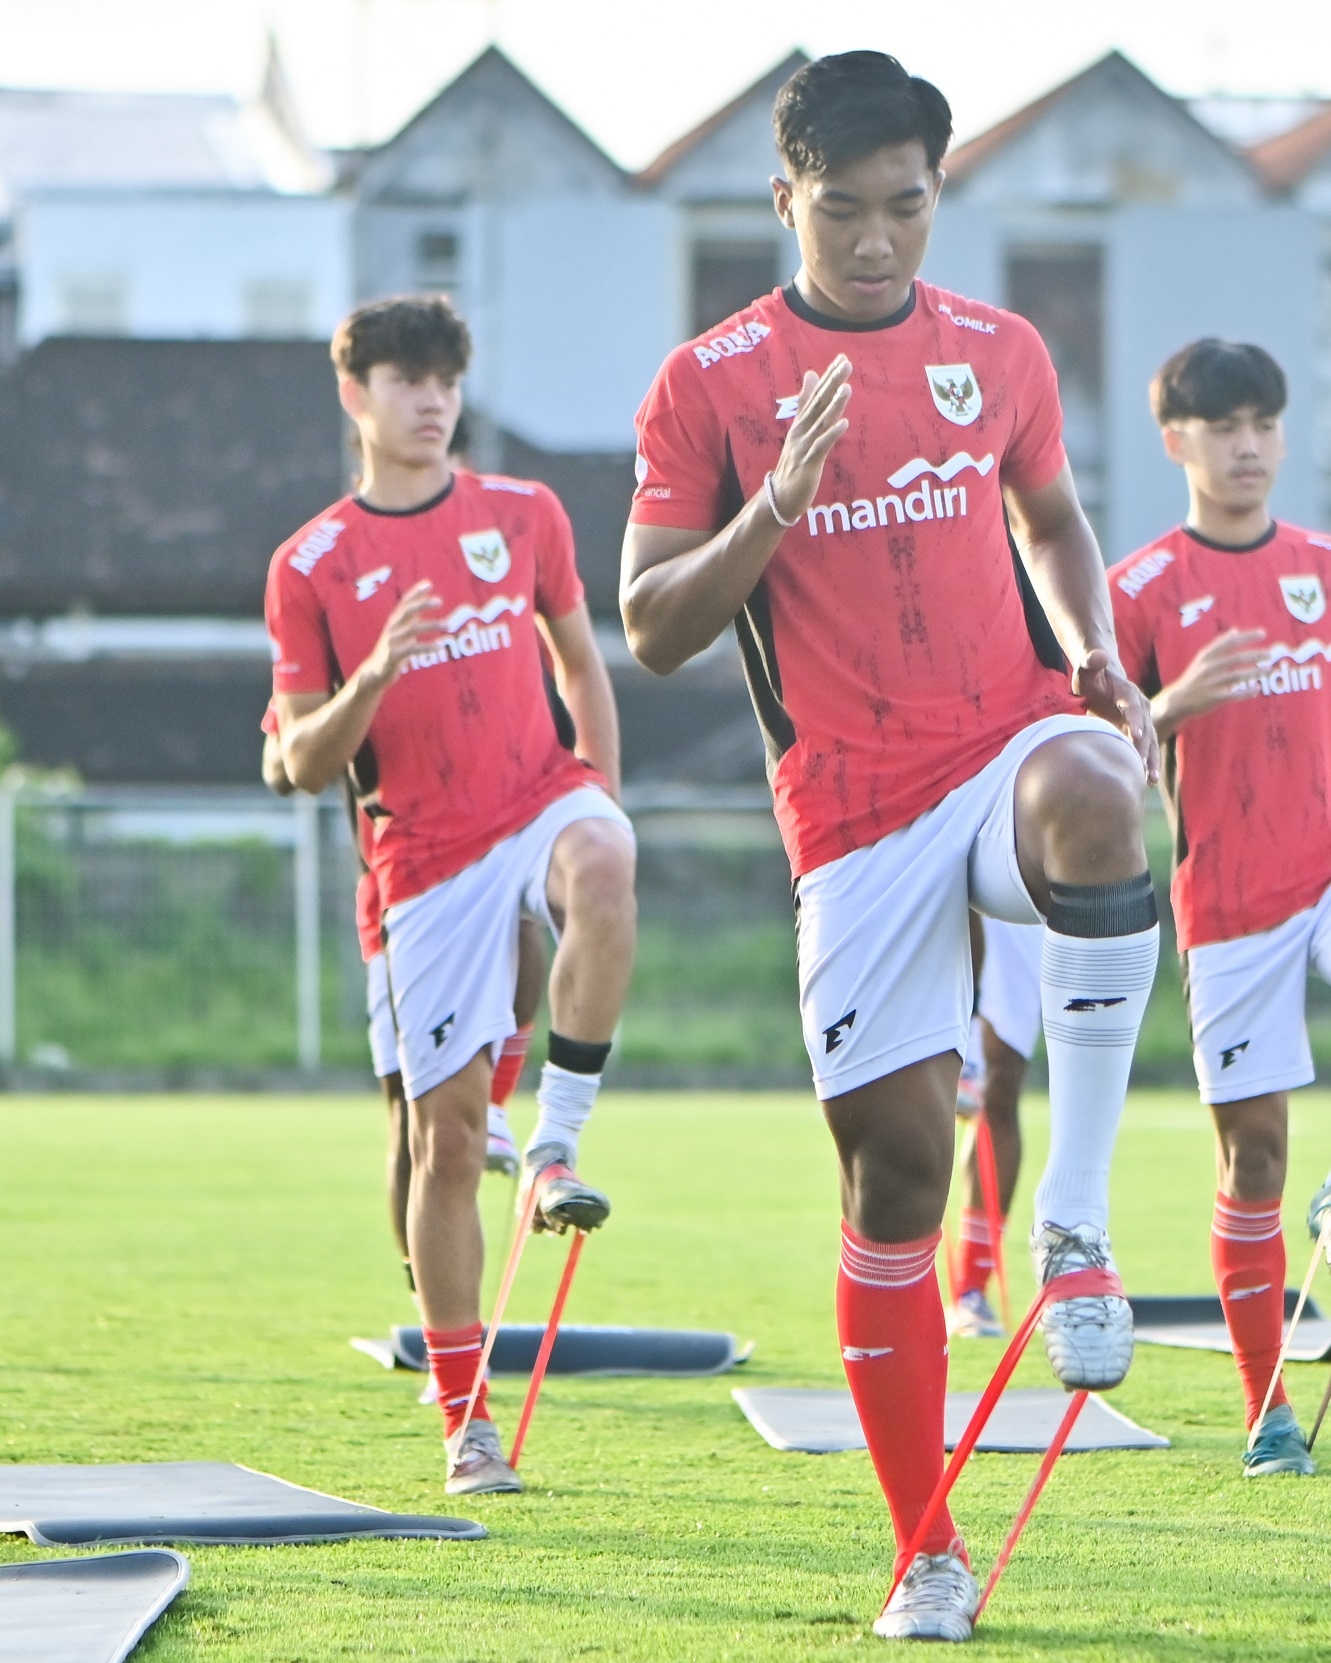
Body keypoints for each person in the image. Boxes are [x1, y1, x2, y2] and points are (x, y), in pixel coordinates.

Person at [617, 52, 1159, 1643]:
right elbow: (652, 625)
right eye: (840, 209)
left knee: (1100, 795)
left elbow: (1054, 519)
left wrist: (1097, 644)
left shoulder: (999, 350)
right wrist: (772, 504)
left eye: (905, 206)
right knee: (896, 1176)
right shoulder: (707, 382)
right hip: (851, 823)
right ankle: (926, 1545)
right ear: (784, 199)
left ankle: (1073, 1213)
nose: (875, 239)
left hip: (1005, 745)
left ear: (940, 192)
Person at [266, 294, 639, 1495]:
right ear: (355, 395)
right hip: (419, 867)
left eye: (445, 380)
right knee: (432, 1137)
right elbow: (303, 760)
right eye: (405, 380)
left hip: (537, 797)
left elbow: (580, 655)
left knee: (603, 863)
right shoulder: (312, 564)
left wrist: (602, 788)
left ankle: (556, 1147)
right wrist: (375, 670)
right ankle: (464, 1412)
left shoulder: (523, 513)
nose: (430, 402)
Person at [1108, 339, 1331, 1480]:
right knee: (1251, 1160)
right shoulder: (1138, 588)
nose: (1246, 447)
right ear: (1177, 443)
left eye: (1262, 425)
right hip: (1226, 895)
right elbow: (1101, 751)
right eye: (1221, 428)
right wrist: (1170, 701)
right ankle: (1265, 1407)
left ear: (1283, 435)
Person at [949, 913, 1043, 1339]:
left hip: (1027, 885)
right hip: (932, 862)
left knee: (1000, 1091)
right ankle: (893, 1286)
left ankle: (972, 1289)